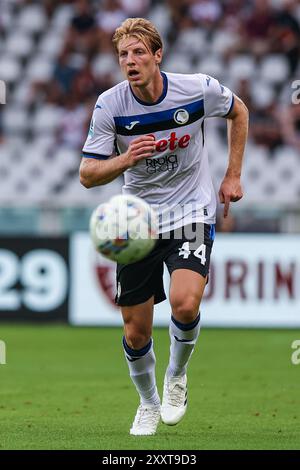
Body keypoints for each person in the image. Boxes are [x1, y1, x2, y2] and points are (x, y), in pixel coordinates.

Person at [80, 17, 248, 436]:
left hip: (191, 210)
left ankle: (176, 376)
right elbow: (87, 174)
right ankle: (148, 403)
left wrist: (232, 175)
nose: (130, 61)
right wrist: (124, 160)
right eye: (123, 54)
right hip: (137, 222)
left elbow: (239, 111)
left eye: (139, 52)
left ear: (158, 56)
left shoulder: (197, 89)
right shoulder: (111, 105)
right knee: (136, 332)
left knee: (185, 303)